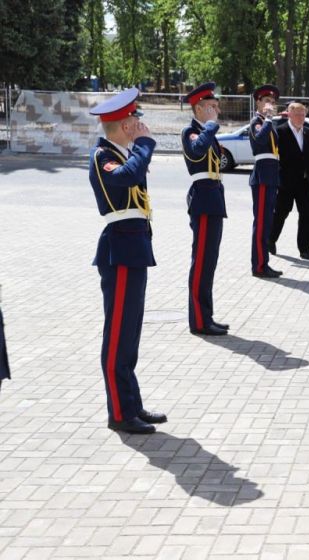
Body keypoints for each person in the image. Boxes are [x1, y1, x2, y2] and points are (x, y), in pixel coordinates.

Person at [88, 88, 167, 434]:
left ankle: (131, 403)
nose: (140, 124)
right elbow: (127, 178)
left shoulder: (123, 152)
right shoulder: (104, 155)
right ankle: (119, 412)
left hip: (133, 249)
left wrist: (139, 148)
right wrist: (146, 146)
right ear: (123, 124)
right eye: (135, 119)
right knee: (118, 333)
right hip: (118, 251)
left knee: (130, 333)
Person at [182, 82, 229, 337]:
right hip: (202, 200)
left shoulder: (206, 131)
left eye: (216, 107)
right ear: (198, 108)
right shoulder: (190, 131)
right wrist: (210, 126)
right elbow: (197, 150)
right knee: (200, 263)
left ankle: (206, 316)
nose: (216, 112)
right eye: (211, 107)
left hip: (213, 200)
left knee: (209, 263)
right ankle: (199, 321)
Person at [271, 101, 309, 260]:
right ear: (289, 114)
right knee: (280, 213)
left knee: (307, 215)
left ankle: (305, 249)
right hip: (285, 182)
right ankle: (270, 240)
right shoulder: (280, 132)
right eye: (298, 114)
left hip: (305, 182)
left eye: (303, 114)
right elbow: (273, 158)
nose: (301, 117)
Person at [248, 84, 284, 279]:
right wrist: (269, 118)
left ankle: (263, 262)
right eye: (267, 101)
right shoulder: (258, 121)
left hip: (271, 176)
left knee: (266, 223)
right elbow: (260, 141)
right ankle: (259, 265)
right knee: (261, 224)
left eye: (272, 102)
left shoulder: (269, 122)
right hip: (262, 176)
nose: (270, 104)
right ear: (258, 103)